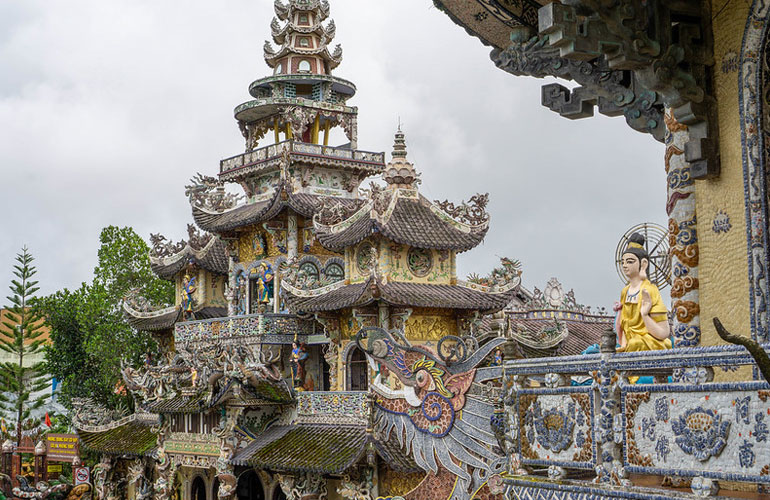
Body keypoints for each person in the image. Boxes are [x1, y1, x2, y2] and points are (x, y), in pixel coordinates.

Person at [616, 233, 671, 352]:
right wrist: (624, 344)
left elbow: (663, 333)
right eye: (623, 262)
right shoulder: (625, 292)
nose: (625, 266)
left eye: (630, 262)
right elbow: (625, 327)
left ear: (644, 263)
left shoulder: (650, 290)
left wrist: (645, 315)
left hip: (649, 342)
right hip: (630, 343)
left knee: (635, 343)